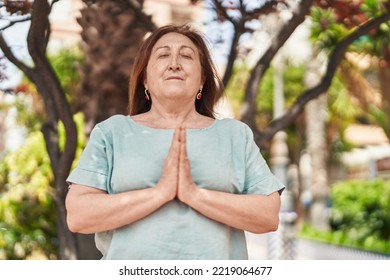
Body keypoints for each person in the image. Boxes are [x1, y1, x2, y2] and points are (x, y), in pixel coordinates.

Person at [65, 24, 285, 260]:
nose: (174, 64)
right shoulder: (111, 132)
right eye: (162, 55)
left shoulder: (235, 134)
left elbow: (268, 216)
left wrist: (193, 194)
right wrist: (160, 193)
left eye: (186, 56)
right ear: (145, 80)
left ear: (202, 80)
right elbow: (79, 216)